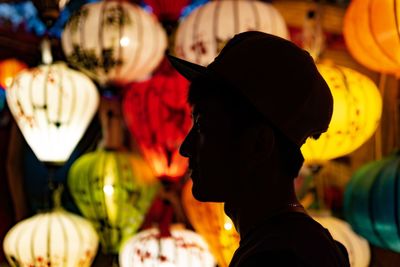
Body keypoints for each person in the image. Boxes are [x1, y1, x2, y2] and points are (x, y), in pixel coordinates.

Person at [168, 31, 350, 267]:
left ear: (259, 144)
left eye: (203, 126)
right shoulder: (297, 243)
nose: (186, 148)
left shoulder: (276, 258)